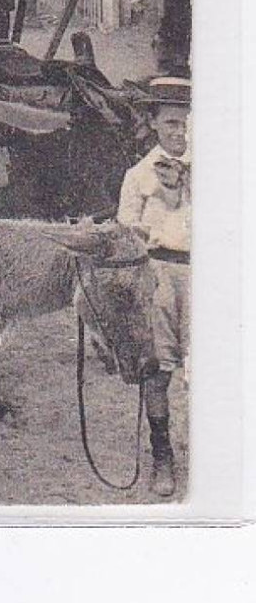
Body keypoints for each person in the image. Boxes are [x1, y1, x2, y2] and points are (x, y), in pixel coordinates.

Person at [117, 75, 191, 498]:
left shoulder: (217, 167)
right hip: (160, 277)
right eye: (170, 124)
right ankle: (163, 455)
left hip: (207, 277)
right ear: (155, 124)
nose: (179, 132)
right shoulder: (138, 175)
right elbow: (126, 237)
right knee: (159, 372)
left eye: (184, 123)